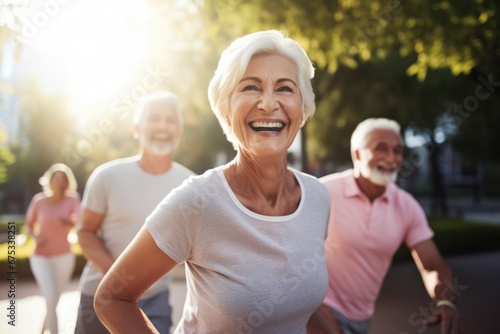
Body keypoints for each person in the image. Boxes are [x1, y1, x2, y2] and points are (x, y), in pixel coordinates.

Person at [94, 29, 331, 333]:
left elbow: (301, 300)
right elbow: (112, 298)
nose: (268, 103)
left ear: (303, 108)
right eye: (250, 87)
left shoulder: (318, 197)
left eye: (285, 88)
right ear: (226, 109)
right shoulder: (198, 202)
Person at [308, 118, 465, 334]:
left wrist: (445, 302)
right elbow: (286, 256)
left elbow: (432, 264)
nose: (392, 158)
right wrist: (314, 310)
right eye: (381, 149)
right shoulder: (323, 191)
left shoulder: (406, 206)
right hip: (318, 310)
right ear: (357, 154)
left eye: (398, 150)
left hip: (363, 318)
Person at [74, 91, 195, 334]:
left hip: (155, 300)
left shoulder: (192, 185)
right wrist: (118, 282)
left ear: (180, 130)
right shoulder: (106, 176)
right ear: (136, 127)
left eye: (170, 120)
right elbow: (85, 231)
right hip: (98, 297)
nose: (162, 126)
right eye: (154, 118)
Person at [26, 163, 81, 334]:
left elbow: (80, 222)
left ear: (67, 181)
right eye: (56, 177)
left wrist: (67, 222)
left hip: (64, 256)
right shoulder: (39, 200)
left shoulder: (73, 198)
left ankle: (43, 328)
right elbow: (29, 224)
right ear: (50, 180)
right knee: (50, 296)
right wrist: (35, 236)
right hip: (40, 256)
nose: (59, 181)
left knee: (54, 300)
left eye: (63, 178)